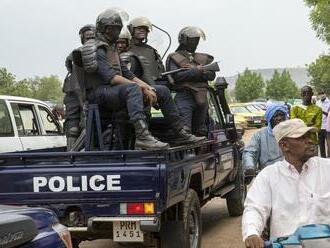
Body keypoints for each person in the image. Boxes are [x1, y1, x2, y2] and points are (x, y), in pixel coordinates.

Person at [80, 8, 204, 150]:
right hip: (98, 93)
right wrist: (143, 88)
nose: (119, 32)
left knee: (162, 91)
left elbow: (127, 74)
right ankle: (143, 137)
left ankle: (181, 133)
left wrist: (147, 86)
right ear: (108, 29)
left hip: (113, 91)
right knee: (133, 88)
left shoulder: (111, 48)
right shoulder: (97, 49)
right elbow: (112, 78)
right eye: (117, 29)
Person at [242, 118, 330, 248]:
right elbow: (255, 208)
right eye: (302, 138)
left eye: (309, 136)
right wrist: (252, 233)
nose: (310, 141)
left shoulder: (326, 168)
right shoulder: (268, 176)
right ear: (284, 145)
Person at [166, 26, 216, 136]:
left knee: (202, 130)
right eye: (192, 39)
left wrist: (199, 71)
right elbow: (176, 77)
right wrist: (195, 71)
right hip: (184, 96)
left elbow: (211, 75)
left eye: (197, 39)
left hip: (202, 96)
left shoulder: (202, 58)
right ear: (184, 40)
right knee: (185, 130)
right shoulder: (175, 57)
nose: (195, 42)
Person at [64, 24, 96, 150]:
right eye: (88, 38)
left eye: (93, 37)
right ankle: (71, 155)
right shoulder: (76, 54)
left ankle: (72, 155)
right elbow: (72, 70)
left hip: (88, 91)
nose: (90, 40)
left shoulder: (100, 51)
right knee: (75, 128)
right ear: (83, 39)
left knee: (87, 124)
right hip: (77, 91)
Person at [242, 103, 288, 178]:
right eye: (275, 116)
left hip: (289, 174)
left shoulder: (291, 133)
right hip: (268, 175)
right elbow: (250, 152)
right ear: (269, 119)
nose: (279, 118)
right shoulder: (259, 135)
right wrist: (250, 166)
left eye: (281, 115)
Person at [316, 89, 330, 157]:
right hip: (320, 126)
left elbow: (329, 114)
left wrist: (322, 111)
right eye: (320, 94)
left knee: (329, 144)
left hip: (327, 127)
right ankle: (323, 158)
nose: (321, 95)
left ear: (325, 94)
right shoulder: (317, 103)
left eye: (322, 93)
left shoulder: (329, 102)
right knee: (321, 144)